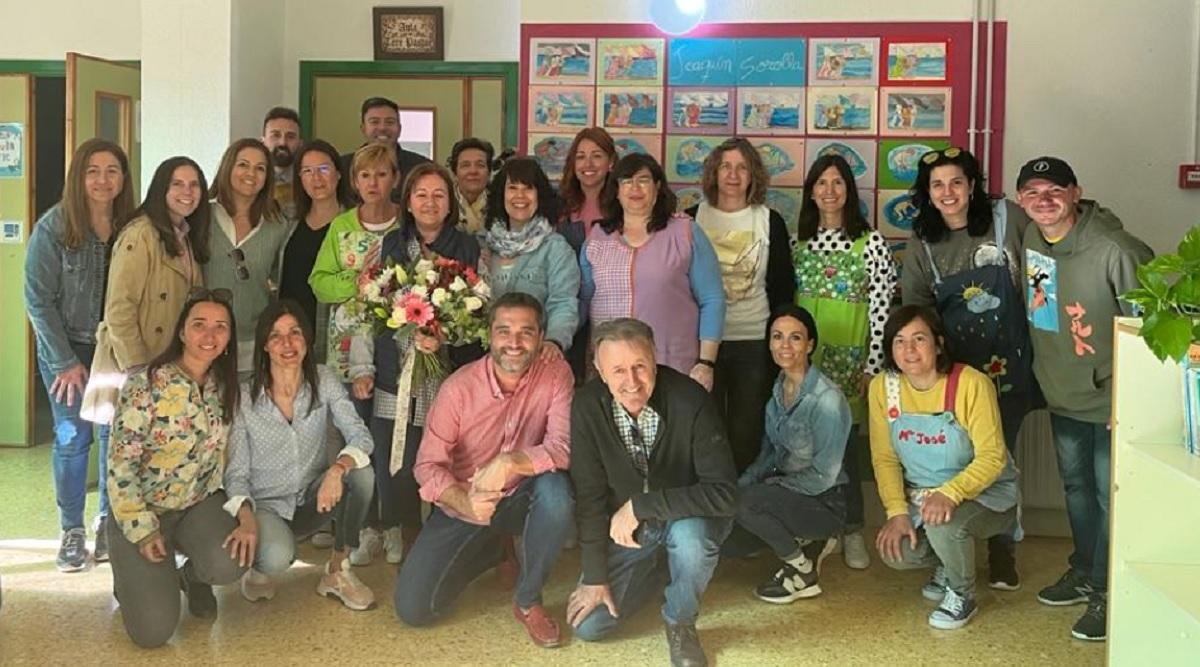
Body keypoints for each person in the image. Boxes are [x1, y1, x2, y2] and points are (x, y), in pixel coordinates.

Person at [1015, 156, 1153, 642]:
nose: (1044, 201)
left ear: (1076, 193)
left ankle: (1109, 590)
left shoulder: (1116, 250)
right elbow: (1044, 310)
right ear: (1021, 203)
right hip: (1062, 392)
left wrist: (1131, 401)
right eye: (1032, 193)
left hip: (1111, 402)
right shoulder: (1033, 239)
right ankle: (1085, 570)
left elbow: (1147, 332)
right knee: (1076, 491)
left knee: (1108, 496)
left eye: (1055, 190)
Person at [395, 293, 575, 650]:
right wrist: (464, 502)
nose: (514, 342)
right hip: (468, 500)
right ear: (489, 336)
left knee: (557, 491)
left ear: (541, 338)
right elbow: (427, 465)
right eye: (504, 331)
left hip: (523, 493)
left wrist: (508, 462)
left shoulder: (556, 374)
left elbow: (564, 448)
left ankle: (528, 599)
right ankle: (494, 549)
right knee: (415, 610)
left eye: (526, 332)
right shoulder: (459, 388)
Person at [567, 317, 736, 667]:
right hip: (631, 532)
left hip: (684, 519)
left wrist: (642, 505)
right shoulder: (586, 406)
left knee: (690, 538)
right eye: (618, 370)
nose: (631, 381)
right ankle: (656, 572)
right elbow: (589, 497)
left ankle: (680, 619)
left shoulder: (691, 400)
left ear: (655, 358)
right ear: (598, 370)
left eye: (640, 366)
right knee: (590, 626)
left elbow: (724, 493)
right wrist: (595, 577)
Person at [903, 147, 1032, 590]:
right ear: (927, 194)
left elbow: (1048, 261)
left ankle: (1003, 551)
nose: (948, 192)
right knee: (959, 460)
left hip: (1012, 368)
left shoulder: (1007, 219)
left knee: (1002, 460)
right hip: (955, 375)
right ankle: (952, 549)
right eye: (937, 185)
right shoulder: (922, 242)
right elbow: (915, 310)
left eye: (956, 182)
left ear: (972, 185)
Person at [348, 162, 480, 565]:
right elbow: (368, 311)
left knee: (446, 455)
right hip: (394, 369)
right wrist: (362, 367)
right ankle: (401, 528)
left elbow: (478, 316)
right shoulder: (389, 246)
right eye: (421, 194)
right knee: (394, 453)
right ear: (407, 201)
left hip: (447, 374)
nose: (429, 202)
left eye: (439, 194)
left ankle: (443, 530)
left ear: (450, 203)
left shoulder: (469, 247)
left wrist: (444, 334)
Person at [105, 288, 245, 648]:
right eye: (199, 325)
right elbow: (121, 466)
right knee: (153, 633)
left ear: (230, 338)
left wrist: (245, 510)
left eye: (220, 327)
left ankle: (189, 575)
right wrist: (142, 530)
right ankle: (133, 578)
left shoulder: (225, 387)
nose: (209, 336)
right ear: (182, 331)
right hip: (142, 511)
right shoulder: (145, 385)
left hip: (197, 505)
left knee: (232, 561)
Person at [868, 305, 1021, 631]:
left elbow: (992, 457)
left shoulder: (970, 384)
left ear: (938, 344)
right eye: (899, 341)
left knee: (944, 526)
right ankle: (946, 560)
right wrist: (896, 512)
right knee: (896, 551)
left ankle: (961, 593)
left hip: (987, 494)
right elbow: (885, 458)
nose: (909, 350)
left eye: (919, 339)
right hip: (925, 498)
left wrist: (950, 494)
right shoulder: (883, 388)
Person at [223, 300, 377, 610]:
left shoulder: (322, 379)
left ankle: (337, 571)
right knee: (278, 556)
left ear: (306, 338)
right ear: (265, 346)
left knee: (360, 473)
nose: (287, 343)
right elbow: (236, 473)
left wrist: (337, 469)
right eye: (276, 336)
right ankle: (261, 563)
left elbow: (360, 435)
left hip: (312, 500)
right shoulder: (244, 397)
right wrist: (246, 518)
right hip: (267, 507)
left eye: (295, 332)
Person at [25, 139, 135, 570]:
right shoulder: (54, 227)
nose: (103, 179)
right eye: (93, 170)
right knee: (73, 440)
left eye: (112, 170)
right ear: (79, 177)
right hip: (66, 349)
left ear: (123, 178)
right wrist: (65, 362)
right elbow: (38, 301)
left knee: (113, 439)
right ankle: (72, 530)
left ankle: (107, 522)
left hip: (116, 350)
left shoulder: (133, 226)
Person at [792, 153, 896, 570]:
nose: (829, 191)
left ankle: (852, 529)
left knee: (845, 454)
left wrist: (873, 366)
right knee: (803, 451)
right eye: (821, 183)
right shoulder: (798, 244)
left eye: (838, 183)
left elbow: (883, 310)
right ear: (811, 192)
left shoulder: (870, 243)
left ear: (849, 191)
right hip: (804, 364)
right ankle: (815, 529)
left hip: (850, 364)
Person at [686, 137, 796, 472]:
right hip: (704, 343)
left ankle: (745, 502)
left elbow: (781, 287)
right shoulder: (690, 220)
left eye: (742, 167)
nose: (733, 175)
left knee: (747, 429)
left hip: (753, 340)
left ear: (753, 176)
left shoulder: (768, 220)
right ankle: (713, 497)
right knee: (708, 428)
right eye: (725, 166)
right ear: (713, 173)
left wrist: (778, 342)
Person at [729, 305, 850, 603]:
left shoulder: (827, 400)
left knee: (746, 504)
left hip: (823, 500)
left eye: (795, 338)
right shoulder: (779, 388)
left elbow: (825, 475)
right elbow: (770, 452)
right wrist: (739, 486)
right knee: (728, 537)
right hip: (788, 492)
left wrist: (762, 491)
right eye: (777, 336)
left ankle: (803, 570)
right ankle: (801, 542)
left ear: (809, 345)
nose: (785, 345)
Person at [581, 153, 725, 385]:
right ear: (616, 190)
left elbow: (712, 299)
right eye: (626, 181)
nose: (634, 187)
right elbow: (583, 300)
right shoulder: (597, 239)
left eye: (643, 180)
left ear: (657, 187)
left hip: (672, 366)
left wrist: (706, 363)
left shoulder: (685, 232)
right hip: (611, 368)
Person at [96, 156, 211, 417]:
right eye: (177, 184)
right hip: (136, 365)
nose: (187, 192)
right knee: (127, 449)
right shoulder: (140, 234)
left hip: (167, 363)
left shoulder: (185, 235)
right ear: (161, 189)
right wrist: (137, 368)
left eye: (194, 185)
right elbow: (119, 307)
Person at [309, 143, 402, 388]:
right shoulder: (341, 225)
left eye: (381, 175)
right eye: (365, 175)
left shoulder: (407, 223)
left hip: (397, 343)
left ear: (395, 178)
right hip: (347, 348)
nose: (373, 183)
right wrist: (358, 281)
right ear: (354, 181)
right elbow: (319, 284)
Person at [204, 138, 289, 376]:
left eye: (260, 168)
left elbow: (278, 283)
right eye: (243, 165)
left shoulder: (277, 226)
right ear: (228, 167)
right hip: (203, 341)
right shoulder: (202, 216)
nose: (251, 173)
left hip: (251, 345)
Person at [481, 157, 581, 358]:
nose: (520, 196)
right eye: (512, 188)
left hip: (536, 356)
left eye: (528, 188)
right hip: (484, 358)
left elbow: (563, 302)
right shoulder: (482, 244)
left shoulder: (556, 248)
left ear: (540, 196)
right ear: (501, 194)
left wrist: (554, 341)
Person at [278, 139, 353, 360]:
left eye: (323, 169)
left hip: (334, 336)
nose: (316, 178)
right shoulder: (288, 220)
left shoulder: (352, 223)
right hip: (289, 334)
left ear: (339, 174)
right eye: (307, 171)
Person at [339, 96, 431, 202]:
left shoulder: (421, 168)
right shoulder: (343, 167)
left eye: (389, 122)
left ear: (400, 129)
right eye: (374, 122)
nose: (382, 128)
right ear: (363, 129)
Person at [557, 127, 617, 254]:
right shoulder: (559, 204)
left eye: (597, 156)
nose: (588, 164)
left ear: (610, 162)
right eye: (581, 157)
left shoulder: (624, 204)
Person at [261, 106, 303, 218]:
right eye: (275, 135)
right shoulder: (250, 178)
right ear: (263, 141)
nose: (283, 143)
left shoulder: (309, 179)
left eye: (290, 137)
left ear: (300, 143)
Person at [447, 137, 494, 234]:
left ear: (489, 173)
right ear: (455, 173)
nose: (473, 171)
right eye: (465, 165)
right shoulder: (443, 203)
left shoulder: (501, 203)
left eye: (480, 165)